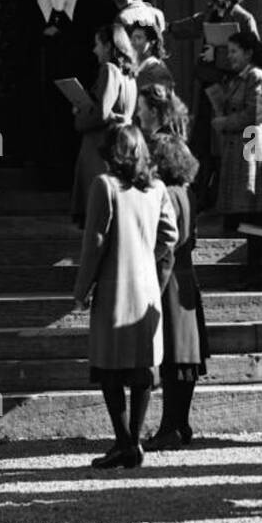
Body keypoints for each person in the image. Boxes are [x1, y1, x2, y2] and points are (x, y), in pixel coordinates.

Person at [73, 125, 178, 468]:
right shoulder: (157, 188)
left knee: (110, 369)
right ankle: (134, 440)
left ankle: (123, 443)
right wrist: (146, 257)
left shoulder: (105, 186)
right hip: (146, 289)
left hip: (114, 287)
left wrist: (82, 288)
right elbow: (170, 236)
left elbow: (95, 242)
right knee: (141, 369)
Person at [169, 0, 257, 208]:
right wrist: (168, 27)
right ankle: (201, 198)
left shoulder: (243, 18)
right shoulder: (210, 14)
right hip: (208, 89)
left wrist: (217, 55)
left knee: (221, 146)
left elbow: (254, 56)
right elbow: (193, 24)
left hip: (230, 92)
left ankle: (219, 198)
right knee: (201, 143)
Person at [145, 133, 210, 451]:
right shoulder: (187, 192)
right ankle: (180, 424)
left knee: (173, 358)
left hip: (169, 278)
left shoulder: (165, 194)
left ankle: (170, 427)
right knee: (185, 359)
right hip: (186, 275)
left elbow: (165, 240)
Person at [211, 29, 262, 273]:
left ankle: (255, 268)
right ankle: (250, 267)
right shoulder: (239, 77)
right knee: (244, 212)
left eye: (234, 51)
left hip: (251, 149)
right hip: (239, 148)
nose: (230, 56)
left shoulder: (255, 76)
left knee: (252, 209)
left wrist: (225, 122)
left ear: (248, 53)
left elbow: (255, 114)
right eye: (228, 51)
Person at [70, 23, 139, 228]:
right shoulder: (129, 74)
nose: (95, 50)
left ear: (109, 46)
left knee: (99, 211)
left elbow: (101, 114)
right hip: (122, 142)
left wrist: (81, 112)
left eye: (97, 44)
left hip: (101, 146)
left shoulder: (109, 69)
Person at [34, 0, 86, 184]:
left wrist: (62, 34)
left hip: (69, 65)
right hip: (46, 67)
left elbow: (80, 31)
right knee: (47, 118)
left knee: (67, 119)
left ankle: (67, 173)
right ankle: (47, 173)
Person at [130, 20, 175, 93]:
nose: (132, 42)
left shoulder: (158, 71)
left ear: (152, 42)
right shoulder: (132, 65)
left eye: (138, 38)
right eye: (132, 38)